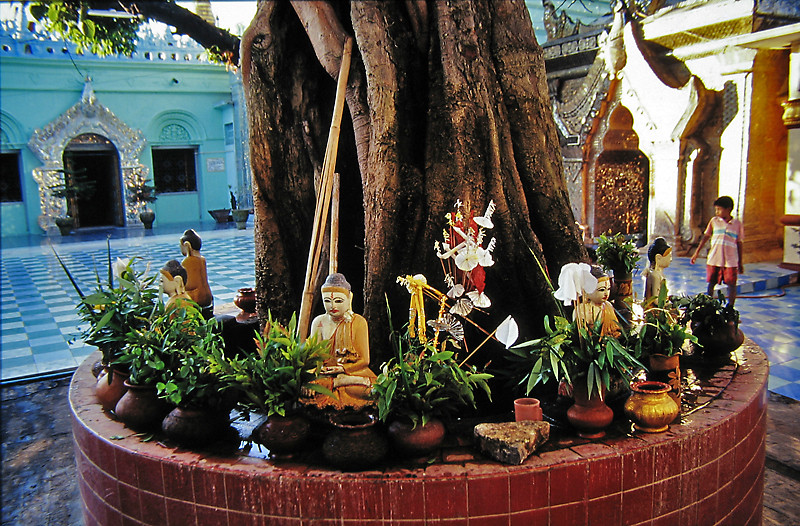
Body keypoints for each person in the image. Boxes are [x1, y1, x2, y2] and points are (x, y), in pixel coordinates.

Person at [304, 273, 376, 410]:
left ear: (349, 299)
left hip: (353, 372)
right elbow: (313, 357)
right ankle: (336, 383)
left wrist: (343, 369)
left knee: (372, 392)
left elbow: (364, 360)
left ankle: (339, 383)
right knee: (309, 391)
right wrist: (311, 378)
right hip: (325, 374)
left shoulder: (358, 322)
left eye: (338, 301)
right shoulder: (319, 322)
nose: (332, 306)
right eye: (327, 301)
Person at [691, 196, 744, 305]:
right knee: (711, 283)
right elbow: (706, 237)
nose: (717, 212)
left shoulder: (737, 224)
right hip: (714, 258)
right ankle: (709, 306)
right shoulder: (714, 221)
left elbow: (739, 243)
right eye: (716, 209)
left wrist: (740, 262)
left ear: (728, 209)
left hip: (730, 261)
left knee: (732, 285)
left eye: (719, 209)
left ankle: (730, 308)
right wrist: (696, 253)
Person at [574, 265, 621, 338]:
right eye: (601, 290)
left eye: (608, 289)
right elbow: (581, 334)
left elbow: (615, 328)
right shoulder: (582, 310)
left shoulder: (608, 306)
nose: (606, 293)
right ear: (586, 291)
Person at [179, 229, 213, 318]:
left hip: (196, 300)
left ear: (187, 245)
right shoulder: (202, 259)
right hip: (208, 298)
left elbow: (190, 285)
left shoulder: (187, 261)